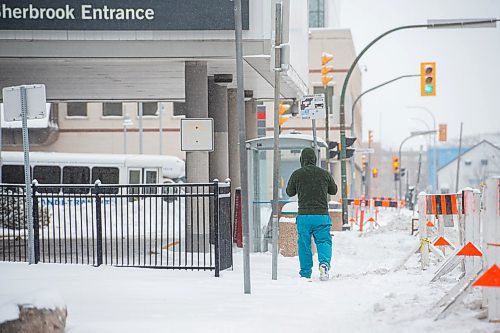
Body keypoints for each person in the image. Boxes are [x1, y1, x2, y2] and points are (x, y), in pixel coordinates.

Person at [286, 147, 337, 281]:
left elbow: (289, 192)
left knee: (304, 244)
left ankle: (305, 273)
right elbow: (334, 190)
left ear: (302, 160)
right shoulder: (324, 174)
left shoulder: (297, 174)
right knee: (324, 241)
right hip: (321, 216)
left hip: (304, 216)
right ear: (314, 159)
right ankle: (324, 264)